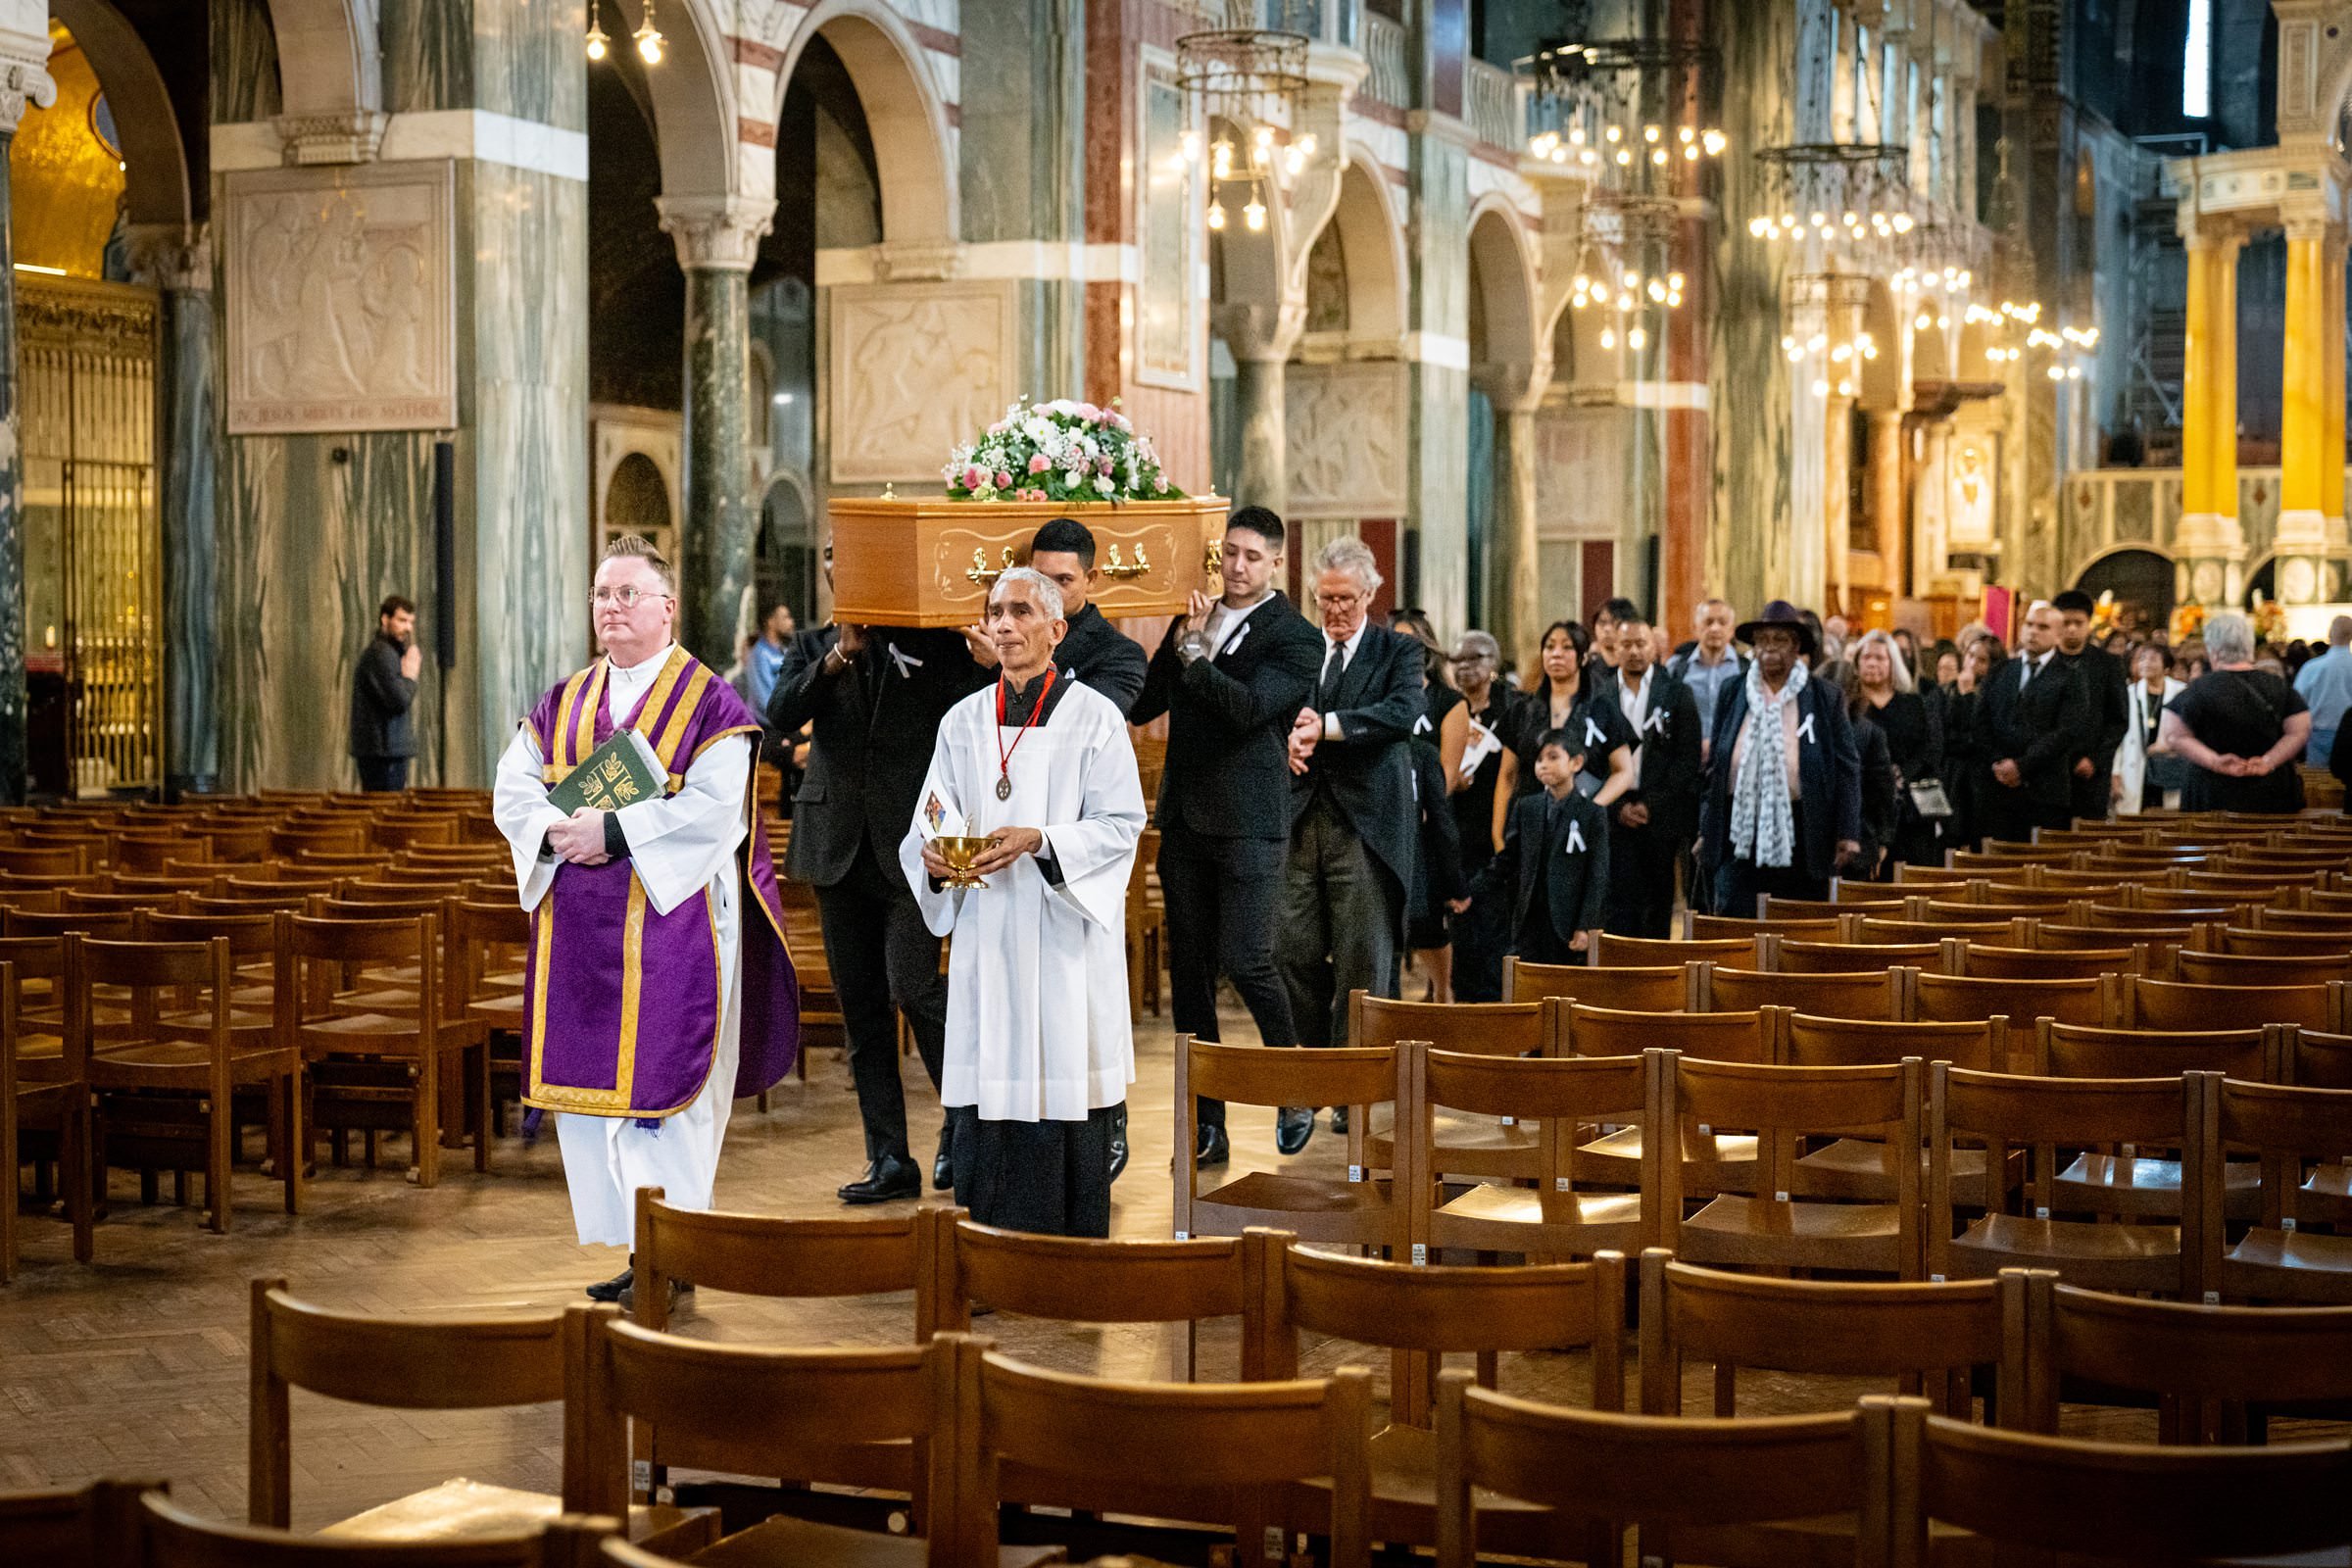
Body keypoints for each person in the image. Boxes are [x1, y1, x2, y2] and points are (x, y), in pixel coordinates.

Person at [492, 535, 800, 1305]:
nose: (612, 608)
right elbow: (513, 784)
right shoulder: (563, 703)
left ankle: (680, 1255)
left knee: (669, 1106)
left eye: (629, 594)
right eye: (602, 594)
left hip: (675, 930)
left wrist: (617, 833)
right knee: (603, 1113)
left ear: (668, 608)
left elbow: (717, 809)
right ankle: (641, 1250)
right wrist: (552, 832)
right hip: (580, 938)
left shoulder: (711, 704)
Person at [902, 569, 1145, 1236]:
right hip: (990, 930)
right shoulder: (963, 721)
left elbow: (1123, 824)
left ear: (1056, 630)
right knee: (990, 1079)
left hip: (1062, 934)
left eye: (1020, 613)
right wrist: (937, 852)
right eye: (994, 612)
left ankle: (1064, 1249)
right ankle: (990, 1245)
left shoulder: (1095, 718)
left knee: (1059, 1070)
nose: (1003, 625)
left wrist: (1041, 839)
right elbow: (935, 811)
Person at [767, 556, 995, 1203]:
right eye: (838, 563)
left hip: (919, 845)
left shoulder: (937, 644)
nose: (849, 573)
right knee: (861, 1009)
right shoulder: (813, 646)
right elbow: (781, 715)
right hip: (836, 845)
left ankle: (966, 1124)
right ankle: (889, 1158)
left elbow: (981, 722)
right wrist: (839, 655)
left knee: (915, 985)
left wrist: (986, 665)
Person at [1133, 506, 1322, 1166]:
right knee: (1189, 974)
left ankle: (1295, 1088)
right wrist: (1169, 639)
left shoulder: (1297, 637)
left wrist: (1195, 655)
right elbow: (1143, 702)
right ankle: (1206, 1123)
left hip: (1249, 821)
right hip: (1185, 817)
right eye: (1230, 554)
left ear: (1274, 563)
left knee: (1247, 959)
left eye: (1252, 557)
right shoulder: (1195, 617)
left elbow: (1246, 710)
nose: (1238, 568)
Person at [1279, 537, 1421, 1153]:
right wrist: (1283, 738)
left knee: (1364, 961)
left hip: (1364, 827)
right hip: (1298, 818)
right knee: (1289, 951)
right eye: (1324, 599)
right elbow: (1274, 708)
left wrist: (1328, 727)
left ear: (1369, 595)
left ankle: (1354, 1087)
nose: (1334, 610)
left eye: (1345, 599)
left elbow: (1402, 712)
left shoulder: (1399, 651)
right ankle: (1314, 1073)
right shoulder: (1301, 649)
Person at [1697, 601, 1861, 909]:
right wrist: (1706, 825)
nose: (1769, 648)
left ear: (1796, 646)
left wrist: (1848, 832)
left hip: (1804, 828)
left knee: (1797, 926)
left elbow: (1846, 768)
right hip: (1740, 828)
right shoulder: (1734, 692)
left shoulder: (1824, 697)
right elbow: (1715, 767)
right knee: (1736, 921)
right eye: (1762, 641)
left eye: (1779, 640)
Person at [1493, 621, 1636, 854]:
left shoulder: (1602, 709)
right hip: (1529, 823)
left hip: (1581, 829)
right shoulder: (1523, 710)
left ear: (1583, 657)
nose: (1556, 654)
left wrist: (1591, 808)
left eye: (1567, 648)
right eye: (1549, 647)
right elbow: (1507, 776)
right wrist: (1498, 835)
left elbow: (1624, 770)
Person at [1601, 606, 1700, 938]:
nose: (1633, 651)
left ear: (1654, 647)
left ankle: (1656, 973)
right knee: (1616, 898)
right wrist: (1618, 807)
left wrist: (1651, 804)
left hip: (1660, 810)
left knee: (1658, 899)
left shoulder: (1676, 693)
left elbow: (1687, 758)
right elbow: (1588, 758)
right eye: (1626, 644)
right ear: (1614, 649)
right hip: (1614, 808)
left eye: (1641, 644)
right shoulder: (1600, 696)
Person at [1478, 728, 1608, 964]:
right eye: (1539, 760)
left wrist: (1585, 926)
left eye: (1553, 757)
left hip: (1567, 923)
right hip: (1530, 919)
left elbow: (1597, 875)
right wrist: (1472, 891)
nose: (1543, 765)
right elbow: (1509, 858)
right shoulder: (1526, 807)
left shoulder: (1592, 814)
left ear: (1576, 762)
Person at [2160, 611, 2312, 813]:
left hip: (2211, 790)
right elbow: (2300, 729)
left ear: (2212, 650)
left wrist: (2214, 761)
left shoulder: (2198, 689)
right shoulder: (2278, 686)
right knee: (2271, 844)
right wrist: (2269, 761)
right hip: (2269, 790)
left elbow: (2174, 734)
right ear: (2250, 648)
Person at [1392, 611, 1469, 1002]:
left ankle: (1442, 991)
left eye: (1412, 642)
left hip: (1426, 820)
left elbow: (1449, 771)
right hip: (1387, 820)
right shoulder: (1381, 696)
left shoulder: (1447, 701)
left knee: (1427, 922)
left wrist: (1421, 802)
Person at [1446, 630, 1523, 1001]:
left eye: (1473, 658)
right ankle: (1464, 1002)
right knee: (1460, 922)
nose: (1464, 667)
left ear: (1493, 664)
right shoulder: (1448, 707)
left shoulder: (1511, 707)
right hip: (1456, 828)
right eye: (1457, 660)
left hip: (1496, 828)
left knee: (1493, 923)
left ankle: (1496, 1002)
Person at [1974, 601, 2089, 844]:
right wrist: (1998, 762)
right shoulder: (2001, 670)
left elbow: (2066, 732)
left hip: (2044, 792)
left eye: (2043, 627)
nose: (2033, 631)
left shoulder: (2070, 677)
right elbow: (1981, 723)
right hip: (1998, 789)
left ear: (2058, 634)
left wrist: (2022, 766)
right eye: (2029, 624)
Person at [1025, 516, 1150, 717]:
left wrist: (1002, 663)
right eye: (1039, 579)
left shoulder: (1121, 655)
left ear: (1090, 579)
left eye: (1063, 580)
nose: (1048, 591)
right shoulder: (1002, 636)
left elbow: (1086, 722)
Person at [1853, 629, 1943, 868]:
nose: (1872, 662)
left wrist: (1902, 774)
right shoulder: (1847, 705)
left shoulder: (1914, 704)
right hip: (1865, 806)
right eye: (1866, 657)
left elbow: (1930, 749)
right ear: (1856, 662)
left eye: (1880, 657)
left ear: (1893, 663)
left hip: (1910, 807)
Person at [2050, 589, 2129, 823]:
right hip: (2050, 768)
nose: (2072, 629)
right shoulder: (2046, 662)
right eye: (2066, 622)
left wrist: (2095, 758)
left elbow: (2118, 720)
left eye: (2078, 622)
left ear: (2088, 624)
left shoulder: (2107, 665)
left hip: (2091, 770)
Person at [1826, 659, 1899, 880]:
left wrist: (1883, 840)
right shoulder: (1807, 727)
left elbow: (1883, 790)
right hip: (1833, 837)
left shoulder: (1868, 733)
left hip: (1855, 837)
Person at [351, 595, 422, 792]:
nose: (408, 628)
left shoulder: (387, 652)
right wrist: (410, 676)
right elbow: (398, 700)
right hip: (383, 752)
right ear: (385, 619)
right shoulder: (381, 653)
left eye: (411, 622)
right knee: (386, 809)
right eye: (402, 620)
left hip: (385, 750)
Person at [1668, 598, 1745, 760]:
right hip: (1684, 758)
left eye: (1722, 622)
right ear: (1696, 628)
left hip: (1731, 757)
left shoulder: (1746, 669)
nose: (1715, 628)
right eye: (1708, 622)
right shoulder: (1677, 667)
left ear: (1731, 630)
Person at [2116, 642, 2183, 813]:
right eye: (2142, 659)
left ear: (2166, 667)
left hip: (2169, 766)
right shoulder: (2128, 693)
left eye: (2152, 659)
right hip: (2135, 765)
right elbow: (2118, 737)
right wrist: (2115, 772)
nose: (2145, 663)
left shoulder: (2181, 692)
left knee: (2169, 817)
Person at [2292, 614, 2352, 766]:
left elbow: (2296, 700)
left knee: (2318, 785)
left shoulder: (2312, 668)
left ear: (2330, 634)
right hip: (2349, 735)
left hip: (2318, 734)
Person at [742, 601, 795, 713]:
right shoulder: (759, 654)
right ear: (771, 622)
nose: (791, 622)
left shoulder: (784, 651)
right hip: (769, 725)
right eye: (785, 618)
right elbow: (764, 699)